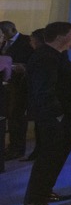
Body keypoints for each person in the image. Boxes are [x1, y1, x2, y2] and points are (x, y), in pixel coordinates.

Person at [22, 21, 71, 205]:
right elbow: (44, 90)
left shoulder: (56, 55)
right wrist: (59, 115)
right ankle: (34, 201)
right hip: (54, 118)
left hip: (62, 116)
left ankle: (44, 193)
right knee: (48, 159)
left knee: (55, 158)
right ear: (60, 37)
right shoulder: (45, 57)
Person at [1, 20, 34, 159]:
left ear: (12, 30)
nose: (3, 35)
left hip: (19, 85)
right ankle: (9, 146)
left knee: (17, 117)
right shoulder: (3, 42)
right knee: (7, 116)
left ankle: (17, 148)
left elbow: (34, 61)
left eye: (4, 32)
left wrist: (24, 67)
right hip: (4, 85)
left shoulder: (27, 41)